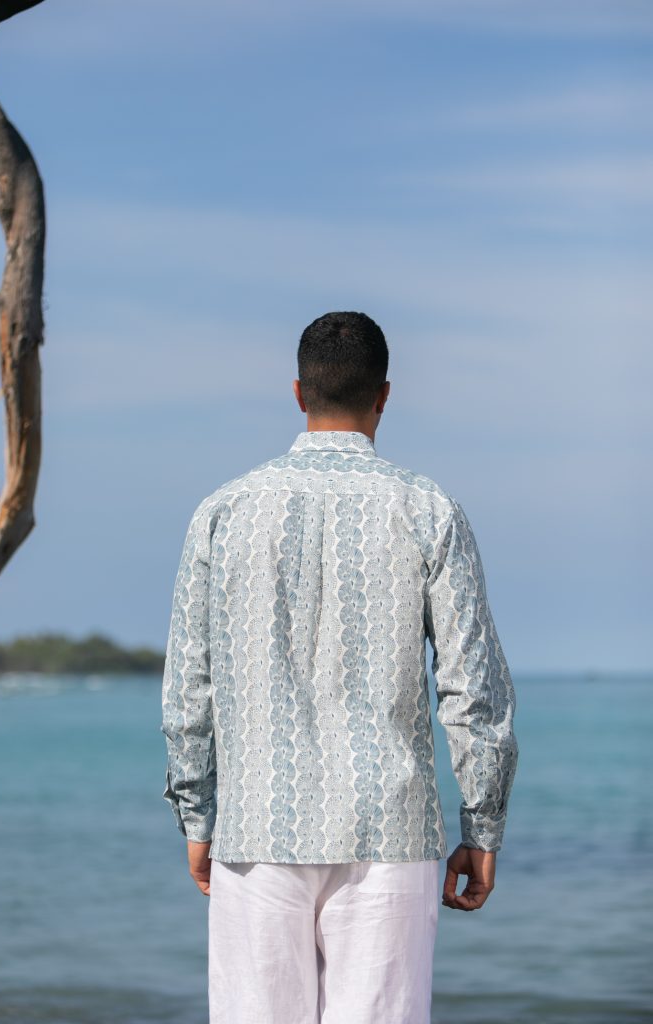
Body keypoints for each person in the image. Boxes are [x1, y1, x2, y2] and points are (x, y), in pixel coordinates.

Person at [160, 311, 519, 1024]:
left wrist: (197, 815)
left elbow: (188, 690)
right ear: (384, 395)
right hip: (390, 831)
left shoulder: (223, 511)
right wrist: (482, 828)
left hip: (257, 823)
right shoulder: (427, 510)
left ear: (297, 393)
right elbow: (472, 689)